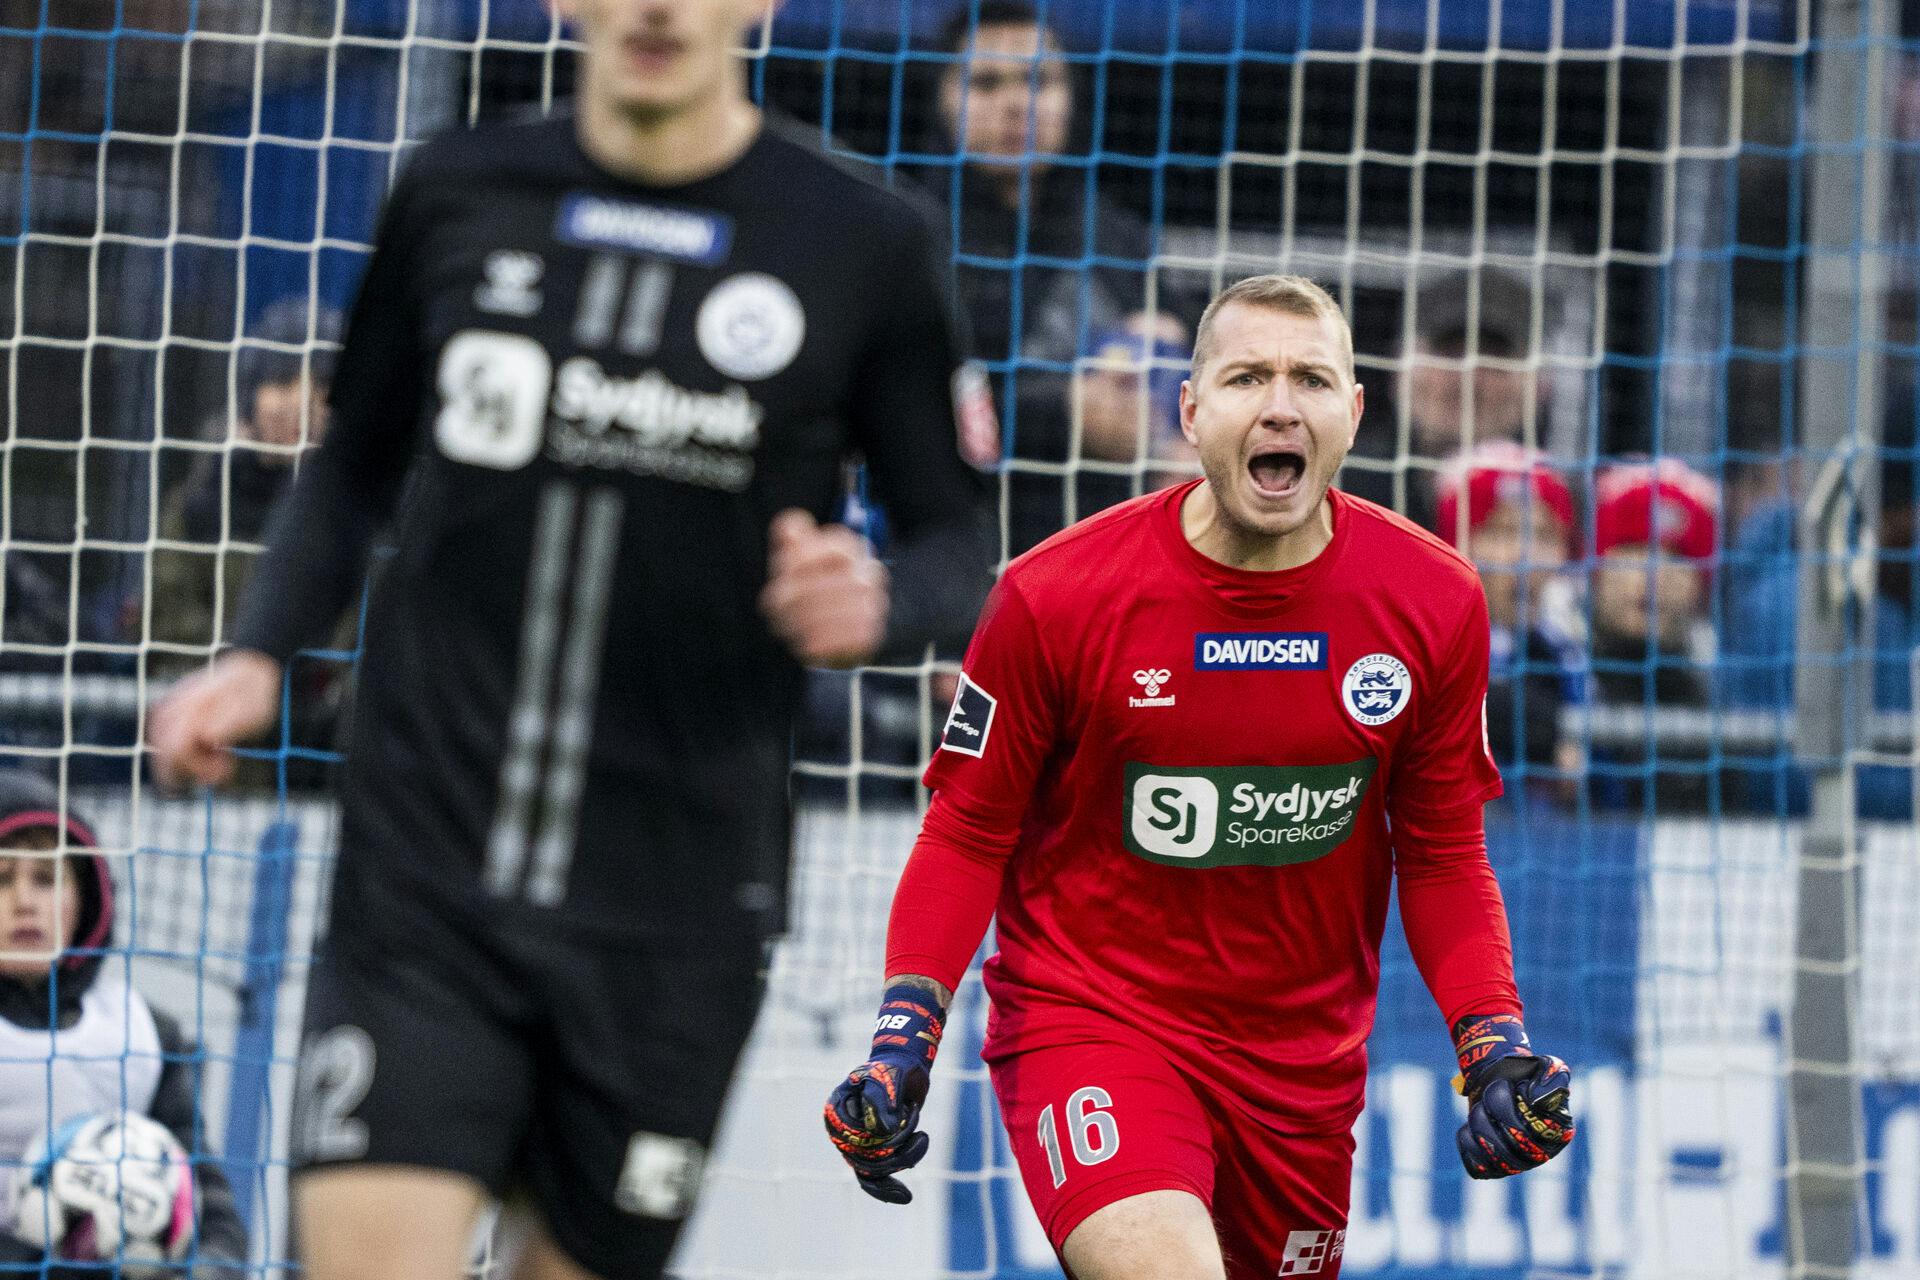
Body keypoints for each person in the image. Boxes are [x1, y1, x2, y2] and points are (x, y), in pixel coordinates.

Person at [145, 0, 991, 1276]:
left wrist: (876, 600)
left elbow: (956, 547)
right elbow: (352, 465)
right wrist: (262, 647)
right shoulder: (456, 190)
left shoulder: (864, 243)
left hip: (680, 903)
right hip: (426, 873)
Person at [824, 274, 1574, 1279]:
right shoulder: (1055, 596)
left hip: (1303, 1072)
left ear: (1352, 413)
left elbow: (1440, 853)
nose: (1279, 404)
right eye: (1246, 376)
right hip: (1093, 1022)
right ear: (1190, 412)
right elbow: (966, 830)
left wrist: (1491, 1038)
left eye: (1310, 377)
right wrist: (905, 1030)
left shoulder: (1433, 598)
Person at [929, 0, 1192, 557]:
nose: (1016, 104)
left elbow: (1182, 346)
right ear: (941, 97)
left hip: (1117, 547)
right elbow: (913, 412)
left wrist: (1171, 358)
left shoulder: (1116, 233)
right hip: (976, 549)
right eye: (986, 83)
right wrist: (1068, 413)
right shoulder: (916, 235)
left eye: (1038, 81)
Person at [0, 768, 247, 1279]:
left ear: (85, 899)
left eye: (46, 879)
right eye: (2, 879)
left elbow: (210, 1200)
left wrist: (209, 1269)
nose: (25, 901)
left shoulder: (143, 1033)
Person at [1433, 442, 1583, 788]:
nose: (1524, 554)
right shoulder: (1432, 637)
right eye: (1501, 533)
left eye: (1544, 535)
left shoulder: (1569, 646)